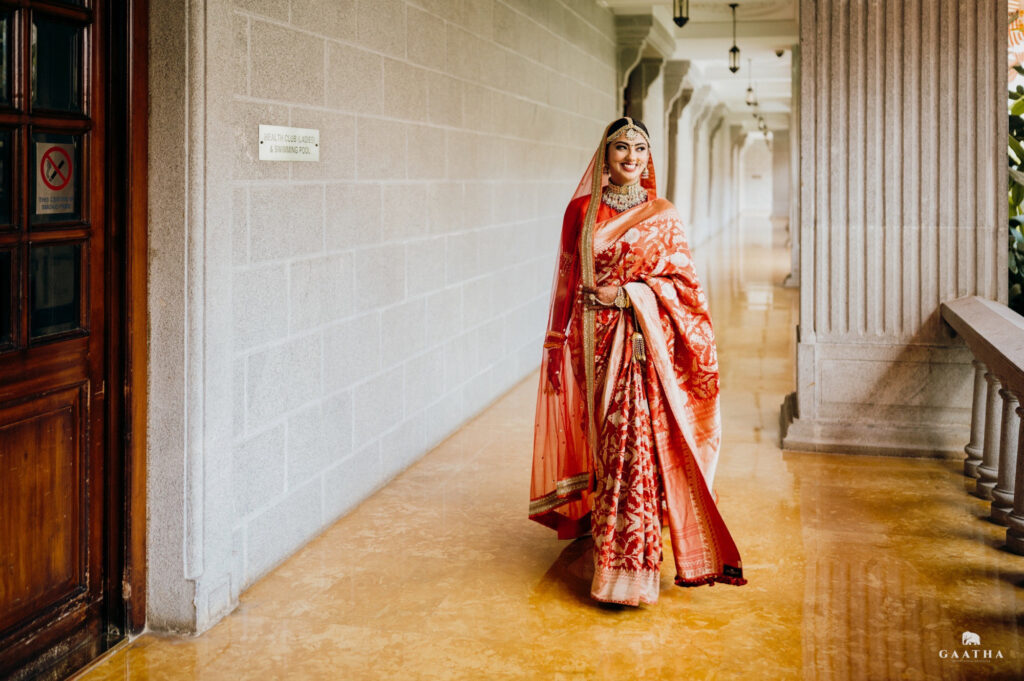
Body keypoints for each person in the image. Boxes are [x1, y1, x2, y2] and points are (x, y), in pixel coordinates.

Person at [528, 117, 747, 606]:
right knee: (605, 446)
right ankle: (607, 536)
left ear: (650, 157)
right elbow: (567, 276)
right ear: (604, 157)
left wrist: (628, 295)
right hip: (592, 346)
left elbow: (686, 289)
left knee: (634, 451)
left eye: (640, 148)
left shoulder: (663, 215)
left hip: (642, 348)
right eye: (621, 147)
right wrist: (555, 338)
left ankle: (628, 569)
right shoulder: (580, 211)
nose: (631, 156)